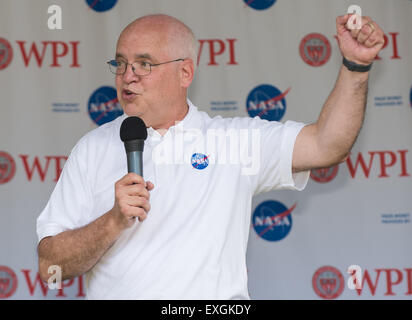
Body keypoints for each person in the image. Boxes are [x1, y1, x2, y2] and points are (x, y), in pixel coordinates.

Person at [36, 13, 384, 299]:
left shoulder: (232, 141)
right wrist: (112, 221)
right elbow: (50, 267)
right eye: (122, 63)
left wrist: (355, 67)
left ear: (185, 72)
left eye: (144, 64)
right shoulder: (92, 148)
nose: (128, 77)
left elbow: (327, 145)